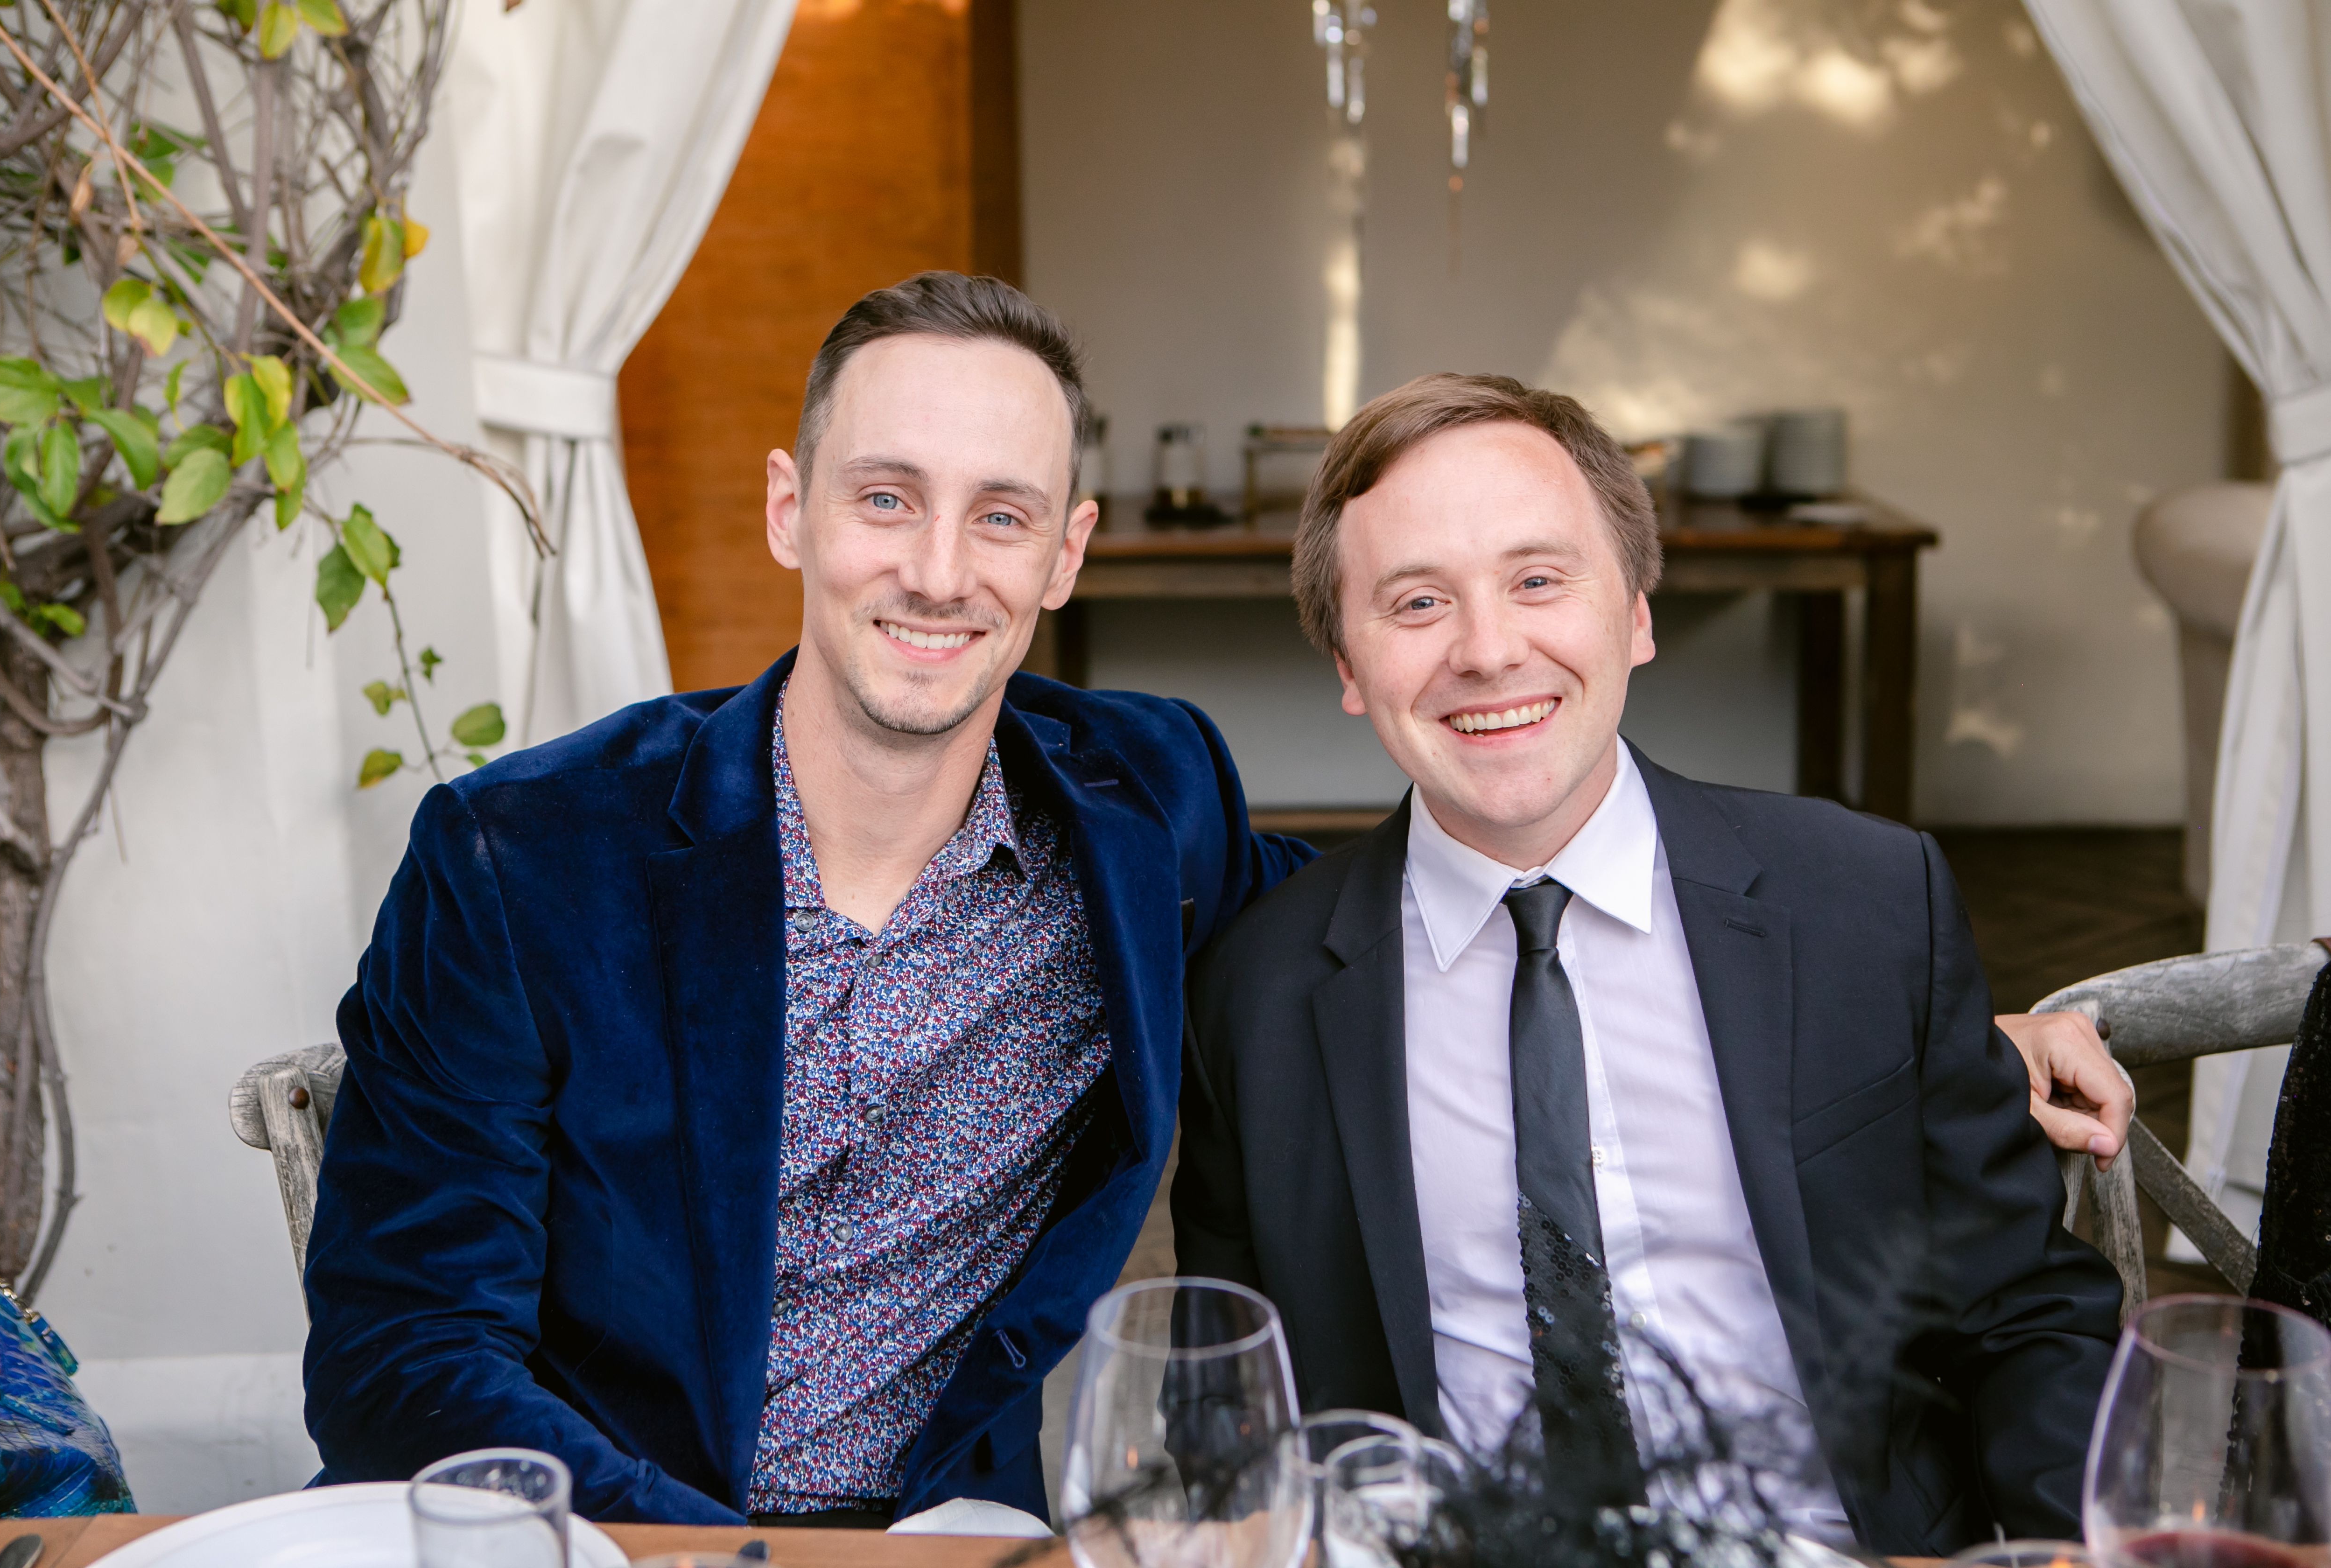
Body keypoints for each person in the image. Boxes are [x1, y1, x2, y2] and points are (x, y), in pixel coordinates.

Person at [301, 273, 1306, 1526]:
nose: (939, 573)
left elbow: (1365, 941)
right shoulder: (525, 858)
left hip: (943, 1543)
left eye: (1002, 518)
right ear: (791, 509)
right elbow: (401, 1357)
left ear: (1066, 554)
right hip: (596, 1543)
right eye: (887, 499)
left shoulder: (1150, 809)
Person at [1173, 373, 2124, 1554]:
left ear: (1635, 612)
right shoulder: (1255, 997)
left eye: (1538, 580)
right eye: (1417, 603)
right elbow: (1226, 1408)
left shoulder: (1868, 910)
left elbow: (2029, 1318)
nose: (1489, 649)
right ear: (1350, 665)